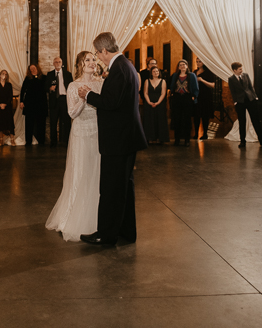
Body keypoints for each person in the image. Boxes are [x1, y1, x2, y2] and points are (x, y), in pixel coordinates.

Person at [77, 32, 148, 246]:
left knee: (110, 189)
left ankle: (106, 235)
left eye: (98, 54)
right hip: (126, 137)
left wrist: (87, 95)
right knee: (123, 188)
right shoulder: (127, 66)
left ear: (104, 50)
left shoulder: (119, 69)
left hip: (118, 140)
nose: (99, 58)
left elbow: (110, 102)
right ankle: (126, 232)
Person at [46, 51, 104, 241]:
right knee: (80, 172)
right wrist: (84, 97)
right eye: (87, 60)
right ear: (80, 64)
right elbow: (72, 113)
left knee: (97, 174)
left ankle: (97, 218)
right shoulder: (73, 85)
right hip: (80, 134)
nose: (92, 63)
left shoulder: (101, 83)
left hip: (97, 133)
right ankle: (74, 216)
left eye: (93, 60)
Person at [228, 62, 262, 147]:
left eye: (241, 68)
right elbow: (232, 91)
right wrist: (235, 102)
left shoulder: (246, 75)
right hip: (240, 102)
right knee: (242, 122)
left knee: (255, 120)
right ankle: (242, 141)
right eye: (239, 69)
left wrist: (255, 97)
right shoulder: (231, 79)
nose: (241, 70)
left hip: (250, 100)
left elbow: (250, 87)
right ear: (235, 70)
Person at [169, 60, 198, 147]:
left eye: (184, 64)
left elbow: (195, 87)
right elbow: (172, 86)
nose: (182, 66)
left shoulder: (192, 75)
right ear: (178, 67)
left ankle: (187, 140)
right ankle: (177, 139)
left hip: (187, 98)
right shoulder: (175, 75)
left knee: (187, 119)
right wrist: (172, 93)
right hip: (177, 98)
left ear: (187, 66)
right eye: (180, 65)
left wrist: (194, 96)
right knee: (177, 119)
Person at [46, 57, 73, 147]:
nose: (57, 63)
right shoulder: (49, 74)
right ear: (53, 63)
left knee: (66, 121)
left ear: (62, 63)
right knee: (53, 122)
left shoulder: (68, 74)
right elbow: (45, 87)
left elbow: (72, 87)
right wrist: (50, 88)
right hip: (54, 101)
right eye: (56, 62)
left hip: (64, 100)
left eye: (59, 62)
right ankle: (53, 142)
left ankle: (68, 141)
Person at [20, 63, 47, 146]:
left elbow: (47, 89)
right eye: (31, 69)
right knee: (29, 124)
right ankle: (28, 141)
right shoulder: (28, 78)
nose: (32, 70)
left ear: (37, 68)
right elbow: (23, 90)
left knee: (41, 124)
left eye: (34, 68)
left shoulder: (44, 78)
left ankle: (41, 141)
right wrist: (21, 101)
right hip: (29, 104)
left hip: (41, 104)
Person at [143, 66, 170, 144]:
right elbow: (145, 93)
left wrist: (158, 102)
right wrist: (149, 102)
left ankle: (160, 138)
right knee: (149, 121)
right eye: (154, 71)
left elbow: (163, 93)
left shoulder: (163, 81)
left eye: (157, 71)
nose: (156, 73)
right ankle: (150, 137)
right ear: (151, 73)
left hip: (160, 104)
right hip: (149, 103)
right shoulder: (147, 81)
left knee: (160, 121)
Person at [193, 58, 217, 140]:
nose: (198, 63)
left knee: (205, 116)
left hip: (206, 96)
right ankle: (196, 134)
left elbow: (213, 85)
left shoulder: (208, 73)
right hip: (197, 96)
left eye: (200, 61)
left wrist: (201, 80)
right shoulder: (194, 72)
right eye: (197, 62)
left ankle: (205, 134)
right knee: (196, 115)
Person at [0, 70, 15, 146]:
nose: (4, 75)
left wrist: (5, 104)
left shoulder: (9, 84)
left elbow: (10, 96)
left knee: (10, 123)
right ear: (0, 75)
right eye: (3, 73)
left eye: (6, 74)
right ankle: (1, 140)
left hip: (7, 106)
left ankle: (12, 140)